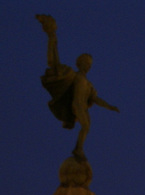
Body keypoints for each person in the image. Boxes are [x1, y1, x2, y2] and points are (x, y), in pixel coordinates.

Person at [36, 14, 120, 160]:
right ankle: (78, 149)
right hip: (77, 105)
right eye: (85, 62)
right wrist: (51, 37)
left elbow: (96, 99)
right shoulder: (72, 75)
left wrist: (110, 106)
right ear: (79, 63)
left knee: (87, 127)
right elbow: (54, 63)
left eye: (89, 64)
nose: (87, 65)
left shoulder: (89, 85)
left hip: (82, 106)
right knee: (86, 127)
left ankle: (78, 148)